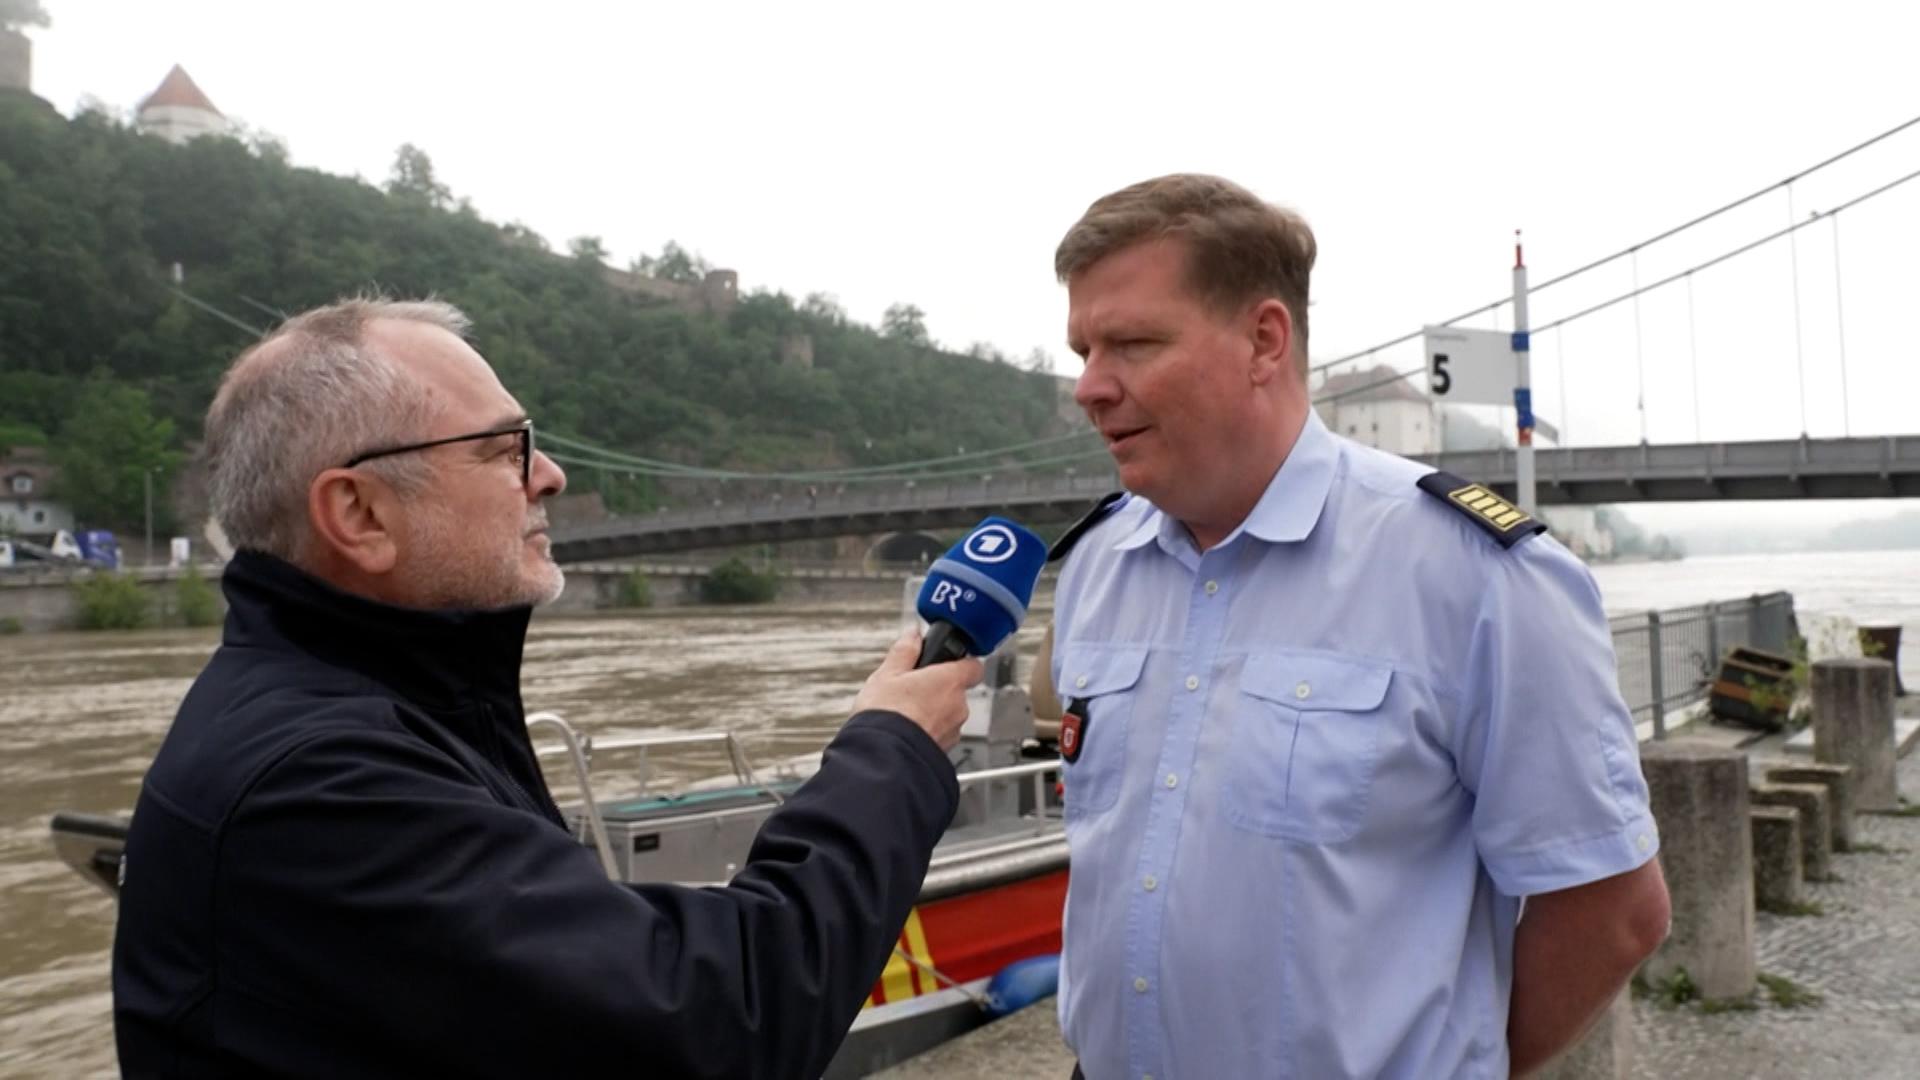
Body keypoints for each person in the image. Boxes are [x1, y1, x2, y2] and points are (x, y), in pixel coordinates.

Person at [112, 298, 984, 1078]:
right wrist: (894, 747)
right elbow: (719, 1022)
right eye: (504, 450)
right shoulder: (314, 786)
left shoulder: (368, 713)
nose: (551, 474)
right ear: (360, 514)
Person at [1044, 176, 1671, 1079]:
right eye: (1084, 350)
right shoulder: (1097, 566)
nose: (1089, 388)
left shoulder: (1474, 575)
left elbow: (1612, 911)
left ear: (1265, 341)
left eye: (1134, 344)